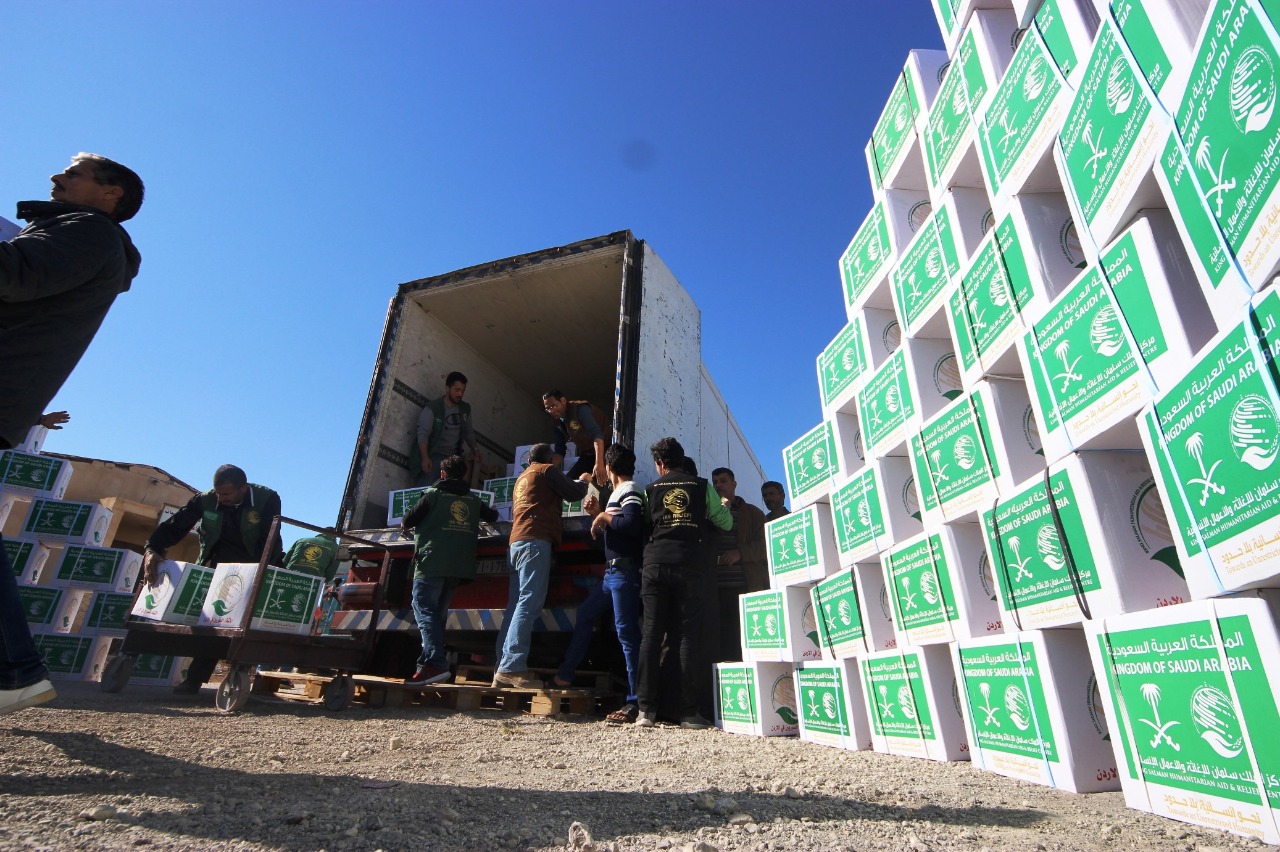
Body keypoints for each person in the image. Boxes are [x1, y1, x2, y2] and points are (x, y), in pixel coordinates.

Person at [0, 153, 144, 716]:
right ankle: (15, 670)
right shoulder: (78, 233)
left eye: (74, 173)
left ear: (111, 194)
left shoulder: (87, 232)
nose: (56, 177)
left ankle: (15, 670)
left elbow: (13, 275)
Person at [144, 464, 283, 695]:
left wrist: (257, 572)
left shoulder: (266, 499)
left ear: (243, 489)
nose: (221, 499)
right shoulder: (205, 499)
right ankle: (193, 680)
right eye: (218, 493)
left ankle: (239, 671)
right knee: (212, 621)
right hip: (218, 564)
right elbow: (177, 524)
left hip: (255, 564)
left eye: (226, 494)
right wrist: (153, 548)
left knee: (243, 624)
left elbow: (270, 537)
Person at [636, 437, 732, 729]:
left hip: (655, 564)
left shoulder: (650, 489)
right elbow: (725, 522)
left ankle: (645, 711)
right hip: (689, 565)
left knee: (651, 634)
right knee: (688, 636)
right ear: (681, 459)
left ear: (660, 463)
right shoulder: (701, 486)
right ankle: (689, 713)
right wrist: (721, 507)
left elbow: (645, 523)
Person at [551, 444, 644, 723]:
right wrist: (598, 515)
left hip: (624, 573)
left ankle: (636, 701)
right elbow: (616, 535)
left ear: (610, 468)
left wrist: (603, 516)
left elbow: (632, 526)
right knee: (586, 613)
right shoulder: (617, 493)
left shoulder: (630, 490)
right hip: (611, 575)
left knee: (627, 634)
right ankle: (566, 674)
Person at [493, 443, 588, 688]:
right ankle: (512, 667)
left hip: (516, 543)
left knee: (516, 606)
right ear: (552, 459)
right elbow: (573, 493)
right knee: (529, 603)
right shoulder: (547, 471)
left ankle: (501, 668)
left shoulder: (523, 477)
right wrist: (584, 480)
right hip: (535, 542)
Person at [400, 454, 499, 684]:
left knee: (424, 609)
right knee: (437, 616)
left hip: (432, 562)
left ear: (442, 474)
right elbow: (493, 516)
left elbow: (407, 521)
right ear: (464, 475)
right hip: (458, 565)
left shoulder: (432, 495)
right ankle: (427, 664)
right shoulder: (473, 500)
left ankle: (435, 663)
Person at [711, 467, 768, 663]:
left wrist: (740, 553)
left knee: (744, 643)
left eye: (723, 481)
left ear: (734, 484)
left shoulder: (753, 513)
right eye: (715, 482)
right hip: (714, 589)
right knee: (720, 644)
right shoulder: (708, 513)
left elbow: (767, 545)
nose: (718, 485)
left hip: (745, 588)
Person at [413, 371, 482, 486]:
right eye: (457, 390)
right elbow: (423, 433)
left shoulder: (465, 409)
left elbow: (468, 432)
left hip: (454, 458)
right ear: (447, 388)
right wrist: (425, 457)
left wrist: (475, 449)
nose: (460, 394)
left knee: (453, 488)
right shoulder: (433, 407)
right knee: (425, 488)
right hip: (435, 454)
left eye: (463, 391)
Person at [541, 391, 611, 486]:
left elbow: (597, 435)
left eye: (554, 405)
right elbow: (560, 451)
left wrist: (599, 464)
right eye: (548, 409)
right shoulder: (556, 422)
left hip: (606, 449)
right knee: (567, 484)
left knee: (604, 481)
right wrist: (545, 471)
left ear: (563, 400)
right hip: (588, 455)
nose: (551, 411)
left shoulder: (580, 409)